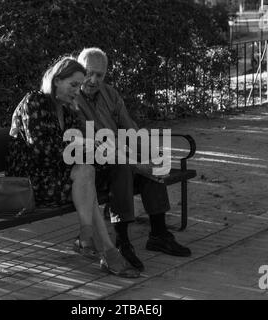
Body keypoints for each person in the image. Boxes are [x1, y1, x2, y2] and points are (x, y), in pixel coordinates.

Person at [5, 56, 139, 278]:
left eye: (79, 85)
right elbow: (41, 150)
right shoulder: (34, 102)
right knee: (88, 180)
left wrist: (89, 148)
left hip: (59, 176)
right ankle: (103, 249)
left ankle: (93, 241)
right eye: (73, 84)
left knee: (87, 172)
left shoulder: (67, 110)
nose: (78, 91)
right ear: (57, 80)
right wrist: (82, 148)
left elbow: (75, 148)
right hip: (31, 181)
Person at [74, 48, 191, 272]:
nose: (93, 80)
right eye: (88, 73)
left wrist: (150, 154)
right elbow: (91, 144)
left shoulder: (110, 94)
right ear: (79, 71)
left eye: (99, 75)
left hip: (115, 158)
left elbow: (131, 129)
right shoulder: (73, 99)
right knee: (125, 166)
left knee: (145, 161)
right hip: (91, 167)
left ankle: (158, 233)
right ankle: (123, 242)